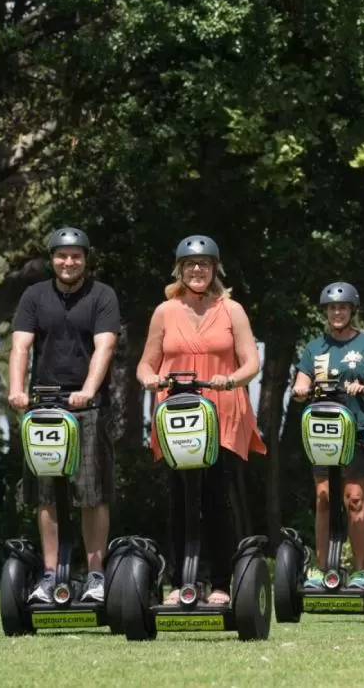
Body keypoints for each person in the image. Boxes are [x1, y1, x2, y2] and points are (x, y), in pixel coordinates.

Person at [136, 235, 264, 605]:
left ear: (215, 269)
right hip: (177, 414)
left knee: (214, 498)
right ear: (179, 269)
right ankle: (179, 582)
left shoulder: (231, 309)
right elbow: (147, 362)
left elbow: (250, 362)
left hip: (220, 411)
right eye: (190, 265)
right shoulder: (165, 311)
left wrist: (232, 379)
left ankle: (222, 582)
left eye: (204, 264)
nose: (197, 270)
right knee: (179, 498)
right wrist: (149, 378)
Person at [8, 227, 121, 603]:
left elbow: (104, 346)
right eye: (61, 255)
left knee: (92, 493)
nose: (68, 262)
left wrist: (88, 390)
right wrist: (17, 389)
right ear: (52, 258)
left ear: (86, 259)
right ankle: (49, 574)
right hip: (43, 407)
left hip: (86, 407)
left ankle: (95, 576)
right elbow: (21, 346)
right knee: (46, 495)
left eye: (76, 256)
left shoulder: (102, 295)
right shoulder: (34, 296)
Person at [291, 282, 364, 591]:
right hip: (323, 431)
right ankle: (321, 570)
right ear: (325, 312)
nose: (336, 312)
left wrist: (363, 388)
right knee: (323, 498)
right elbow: (301, 382)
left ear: (352, 311)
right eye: (332, 308)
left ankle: (360, 570)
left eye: (342, 307)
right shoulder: (315, 348)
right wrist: (300, 389)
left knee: (354, 499)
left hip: (357, 428)